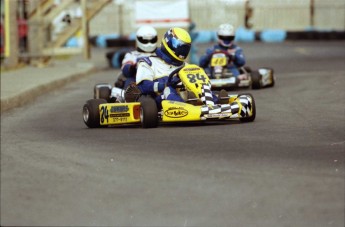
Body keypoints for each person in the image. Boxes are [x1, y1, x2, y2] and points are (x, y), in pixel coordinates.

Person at [134, 27, 226, 106]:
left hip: (186, 96)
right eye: (179, 47)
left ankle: (216, 103)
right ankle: (184, 106)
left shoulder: (186, 66)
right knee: (168, 90)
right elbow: (143, 87)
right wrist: (165, 84)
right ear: (168, 42)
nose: (182, 51)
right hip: (159, 100)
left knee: (200, 87)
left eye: (184, 48)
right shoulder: (148, 62)